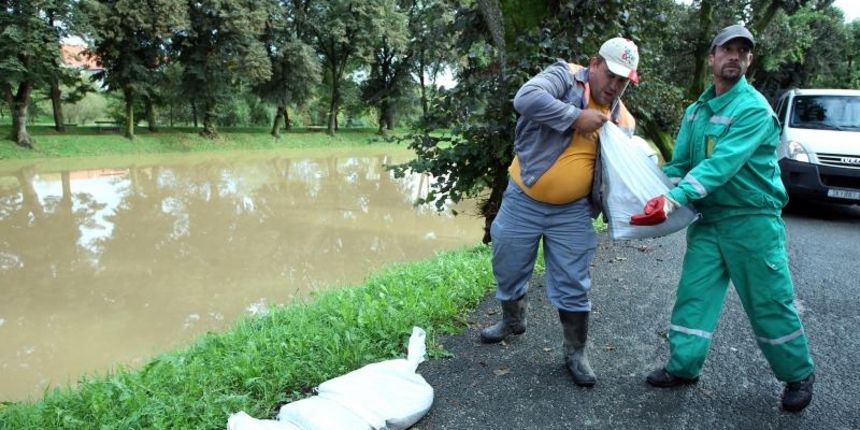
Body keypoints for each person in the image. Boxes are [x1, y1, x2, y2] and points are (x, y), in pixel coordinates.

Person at [630, 24, 815, 412]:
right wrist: (655, 193)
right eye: (726, 49)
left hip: (753, 221)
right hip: (709, 221)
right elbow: (681, 164)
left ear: (750, 61)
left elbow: (721, 165)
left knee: (770, 302)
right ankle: (683, 367)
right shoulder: (696, 112)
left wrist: (674, 198)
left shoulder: (753, 109)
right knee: (694, 297)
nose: (734, 56)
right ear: (712, 57)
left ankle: (798, 374)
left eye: (742, 52)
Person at [479, 37, 639, 388]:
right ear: (594, 63)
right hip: (524, 197)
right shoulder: (564, 76)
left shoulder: (623, 121)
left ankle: (576, 352)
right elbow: (525, 99)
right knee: (507, 265)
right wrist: (574, 118)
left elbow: (620, 174)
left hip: (573, 212)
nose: (614, 85)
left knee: (573, 285)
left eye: (622, 80)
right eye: (610, 74)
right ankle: (512, 321)